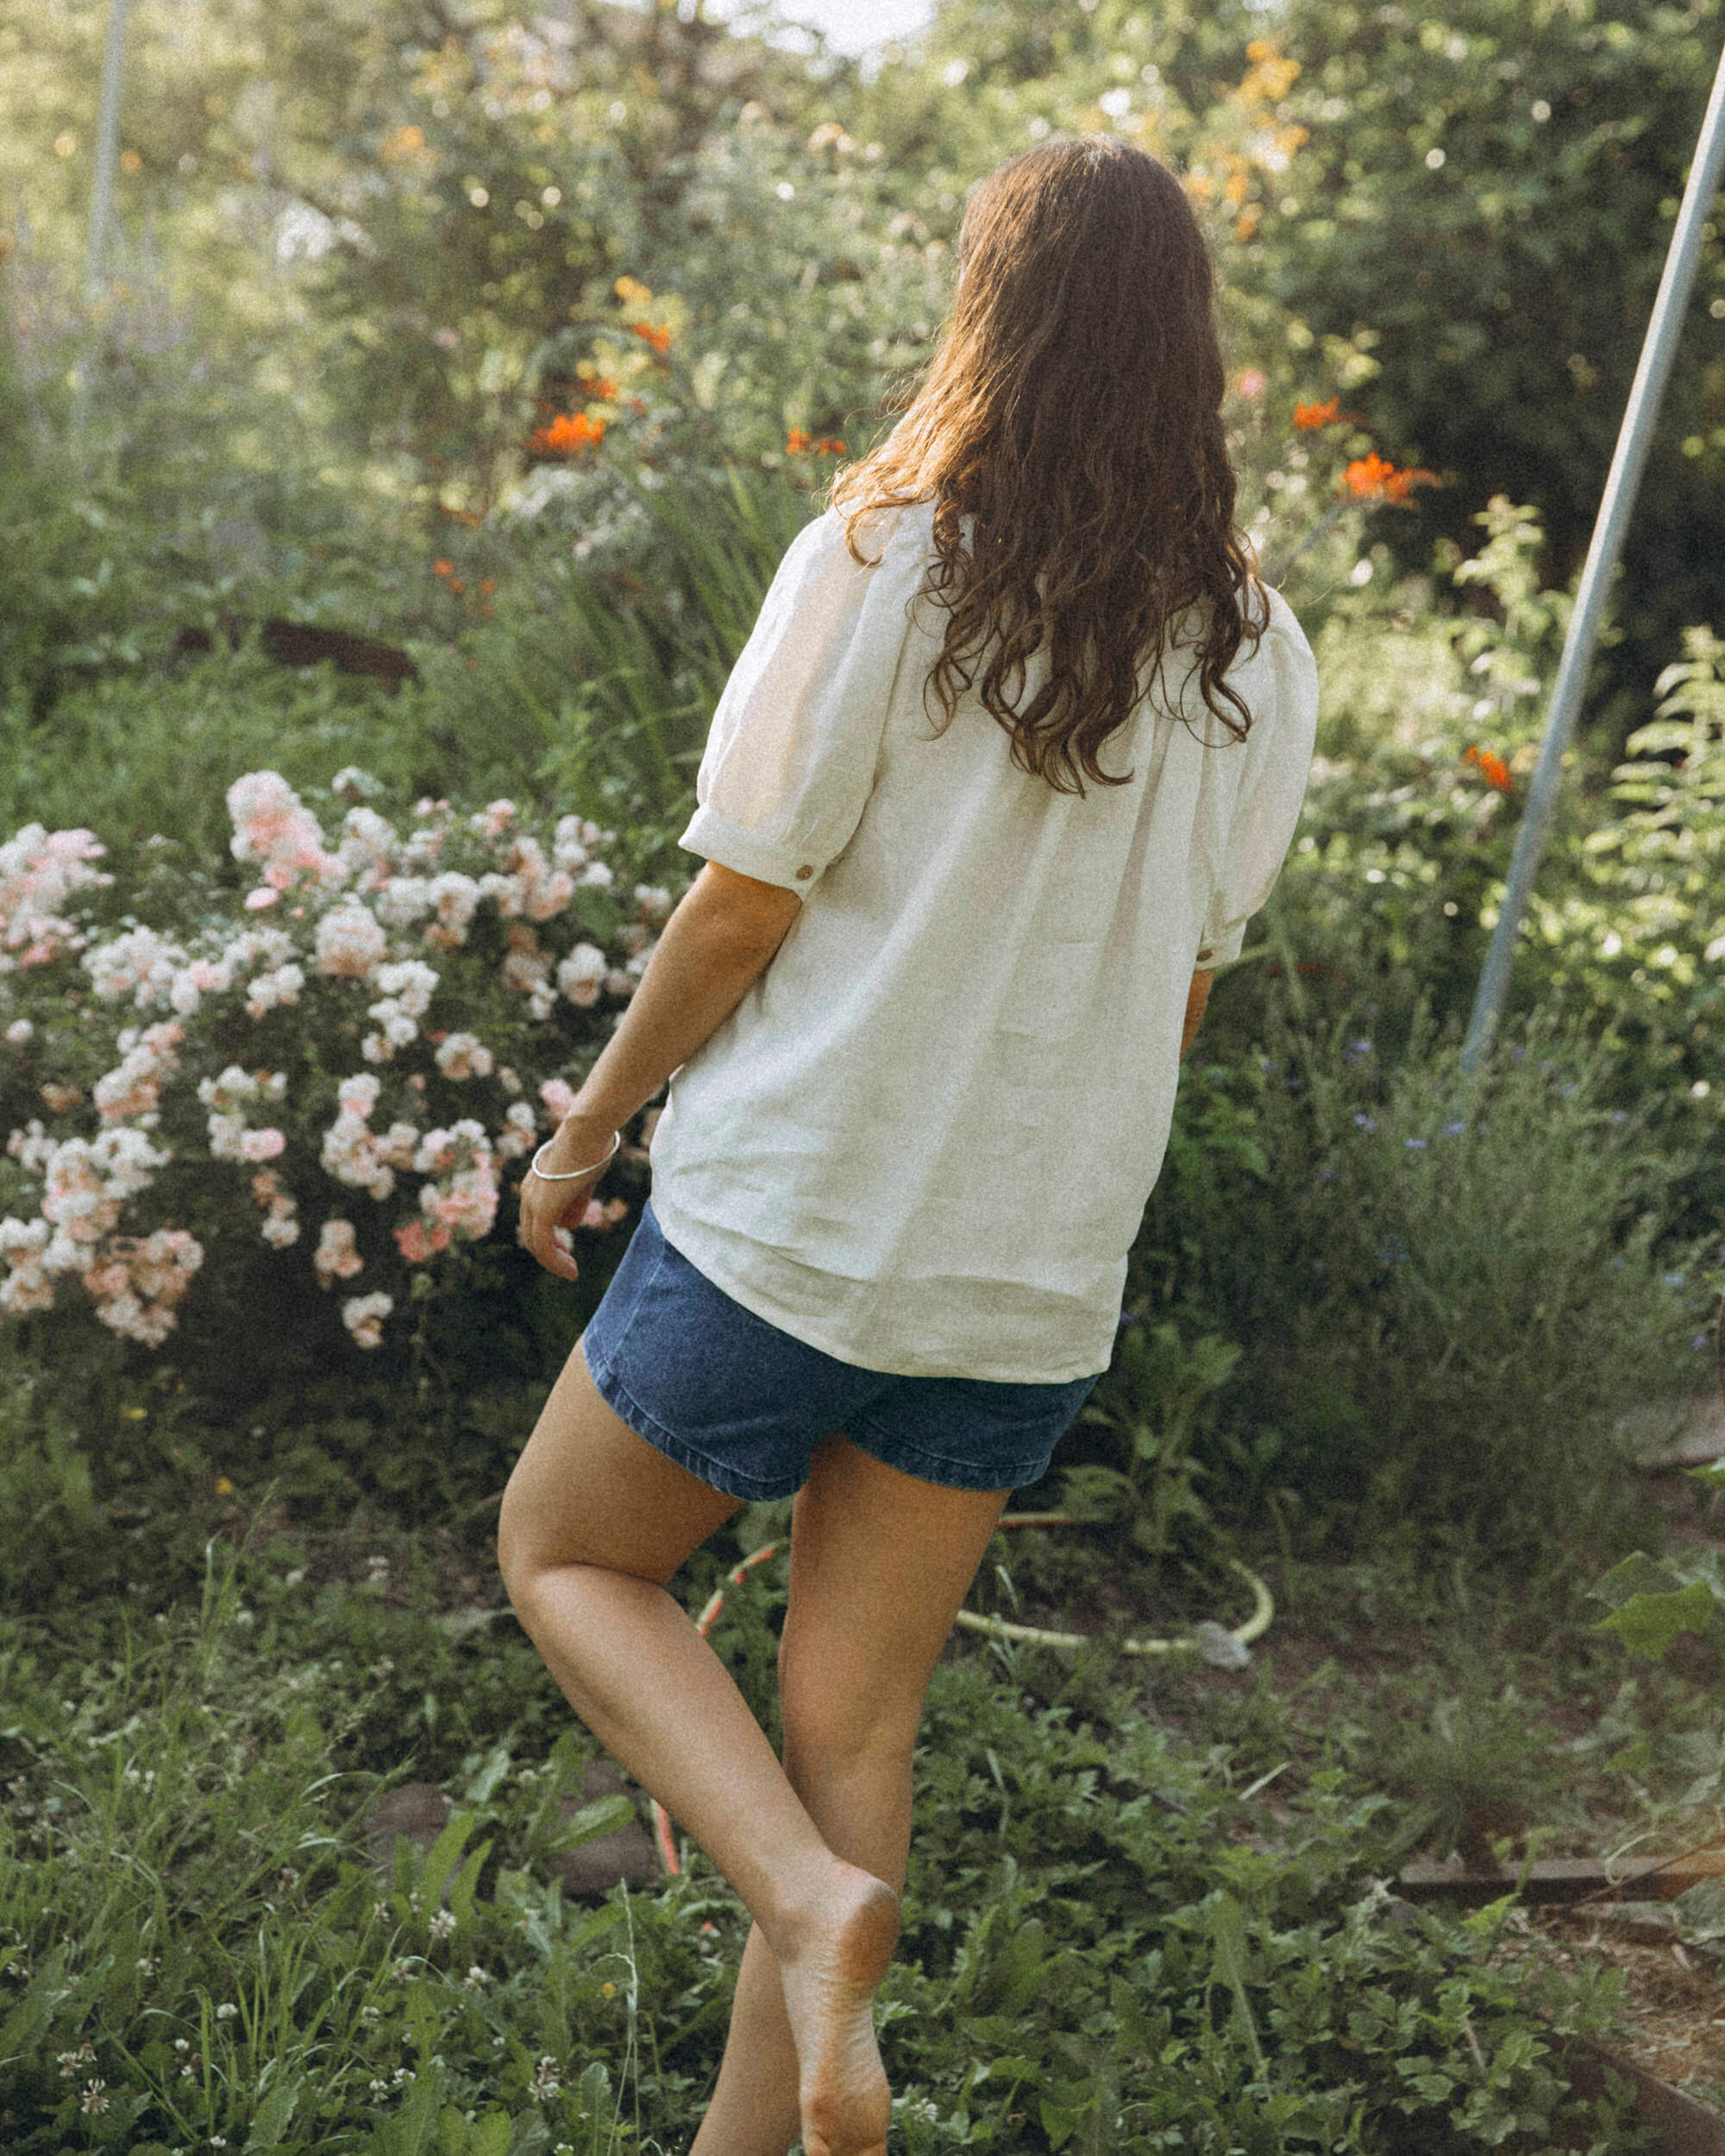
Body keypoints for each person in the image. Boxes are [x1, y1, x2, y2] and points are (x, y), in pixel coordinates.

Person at [499, 134, 1319, 2156]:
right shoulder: (1258, 654)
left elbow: (740, 901)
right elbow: (1181, 995)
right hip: (1022, 1279)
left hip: (790, 1222)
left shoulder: (883, 557)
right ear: (1186, 352)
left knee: (567, 1549)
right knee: (853, 1722)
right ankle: (779, 2044)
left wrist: (590, 1123)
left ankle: (798, 1892)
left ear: (996, 311)